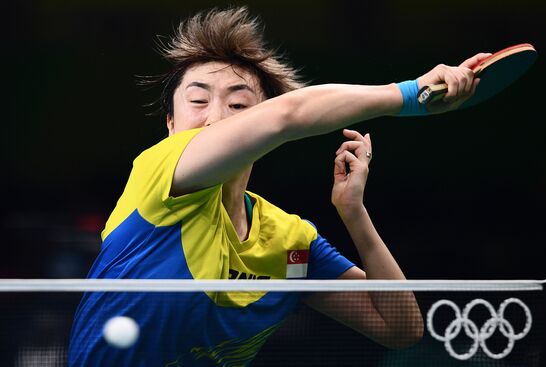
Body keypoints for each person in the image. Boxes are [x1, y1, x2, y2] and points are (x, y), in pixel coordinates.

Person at [68, 6, 487, 367]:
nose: (217, 118)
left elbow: (400, 329)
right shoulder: (157, 173)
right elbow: (286, 115)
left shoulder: (290, 244)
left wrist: (354, 213)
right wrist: (411, 95)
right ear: (171, 126)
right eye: (198, 101)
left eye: (238, 106)